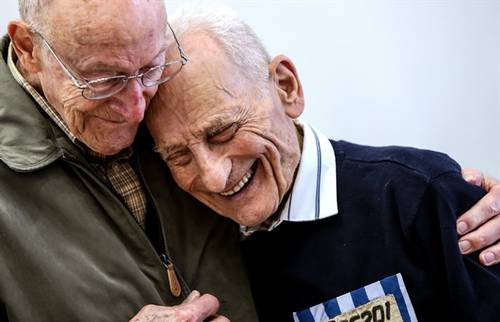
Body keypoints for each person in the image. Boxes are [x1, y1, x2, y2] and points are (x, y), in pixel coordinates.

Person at [146, 7, 500, 322]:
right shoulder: (201, 256)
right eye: (179, 156)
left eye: (223, 131)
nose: (214, 176)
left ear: (287, 87)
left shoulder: (421, 196)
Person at [0, 1, 258, 321]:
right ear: (28, 48)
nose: (137, 111)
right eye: (104, 80)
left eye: (152, 68)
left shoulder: (184, 81)